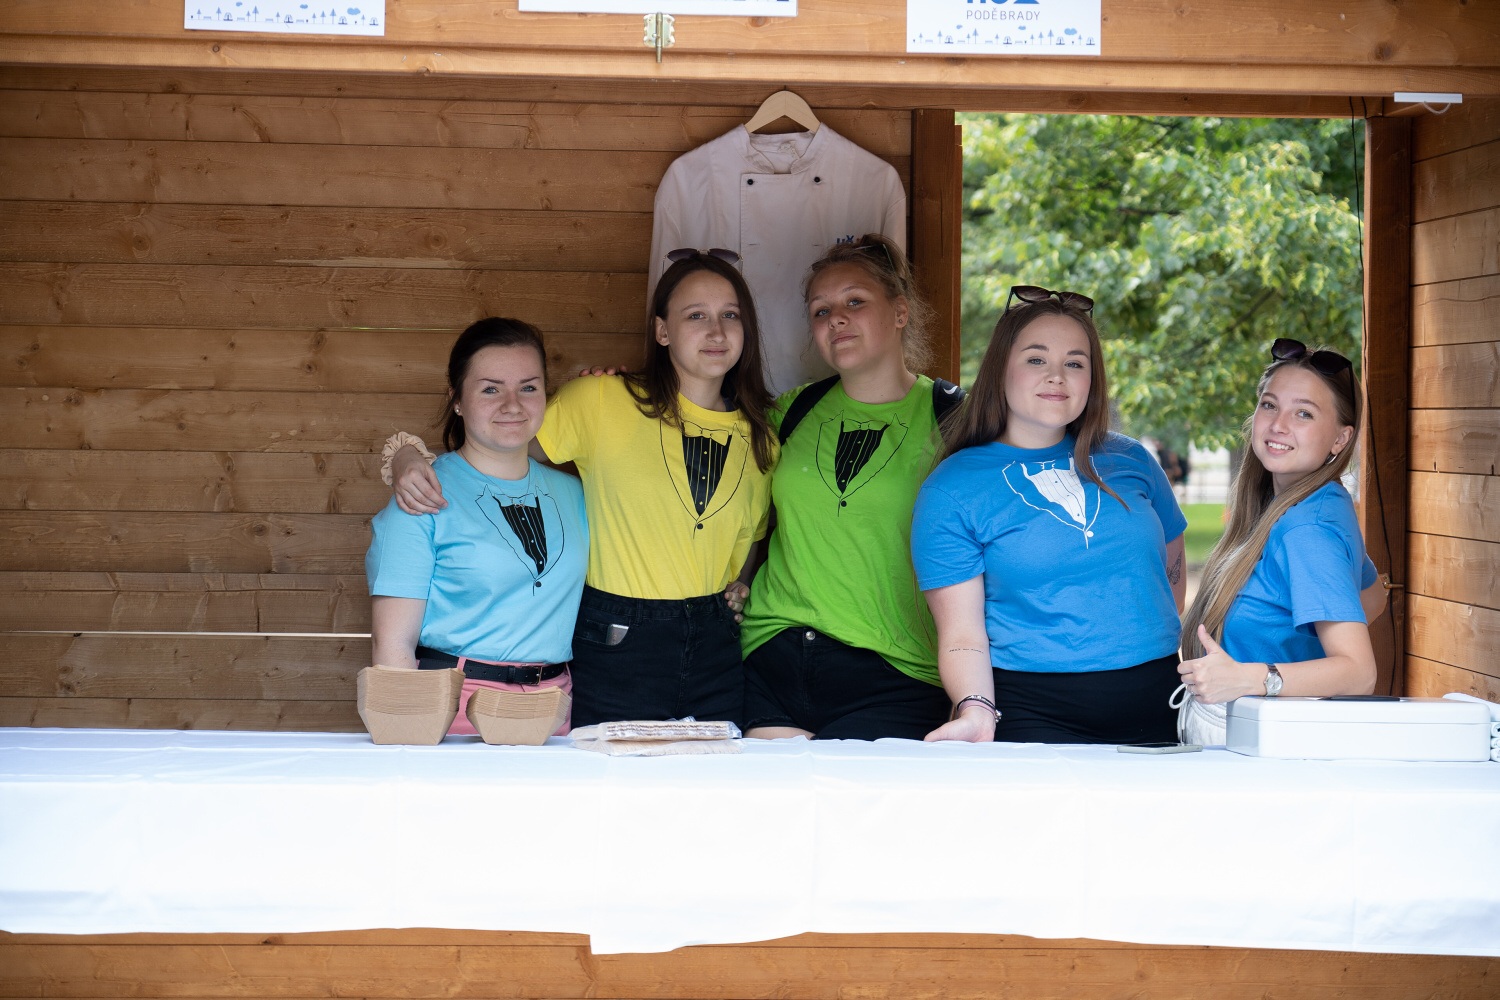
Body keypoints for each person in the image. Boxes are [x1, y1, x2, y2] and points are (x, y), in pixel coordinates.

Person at [385, 251, 776, 728]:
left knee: (714, 771)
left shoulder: (764, 438)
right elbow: (499, 447)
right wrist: (406, 456)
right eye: (696, 315)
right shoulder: (602, 398)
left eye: (730, 315)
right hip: (619, 635)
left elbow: (750, 540)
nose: (716, 331)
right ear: (662, 331)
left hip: (715, 644)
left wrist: (740, 586)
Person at [910, 285, 1188, 745]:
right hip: (1034, 712)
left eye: (1075, 363)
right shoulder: (951, 489)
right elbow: (962, 635)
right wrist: (975, 709)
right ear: (1001, 368)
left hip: (1158, 699)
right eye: (1036, 359)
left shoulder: (1133, 460)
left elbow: (1170, 584)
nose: (1057, 376)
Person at [739, 234, 960, 741]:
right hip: (774, 653)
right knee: (774, 793)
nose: (835, 319)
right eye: (821, 311)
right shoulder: (789, 412)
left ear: (900, 312)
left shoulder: (954, 419)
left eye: (855, 302)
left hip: (897, 671)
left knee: (855, 794)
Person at [366, 318, 588, 737]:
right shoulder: (422, 495)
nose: (512, 404)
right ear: (457, 400)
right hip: (453, 710)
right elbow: (393, 646)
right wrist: (410, 738)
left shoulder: (575, 494)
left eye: (528, 387)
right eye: (490, 389)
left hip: (553, 710)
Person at [1173, 339, 1381, 744]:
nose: (1278, 425)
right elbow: (1372, 596)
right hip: (1261, 730)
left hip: (1262, 736)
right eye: (1269, 405)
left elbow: (1359, 672)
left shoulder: (1308, 529)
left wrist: (1253, 677)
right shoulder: (1319, 501)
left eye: (1304, 413)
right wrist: (1299, 645)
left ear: (1341, 439)